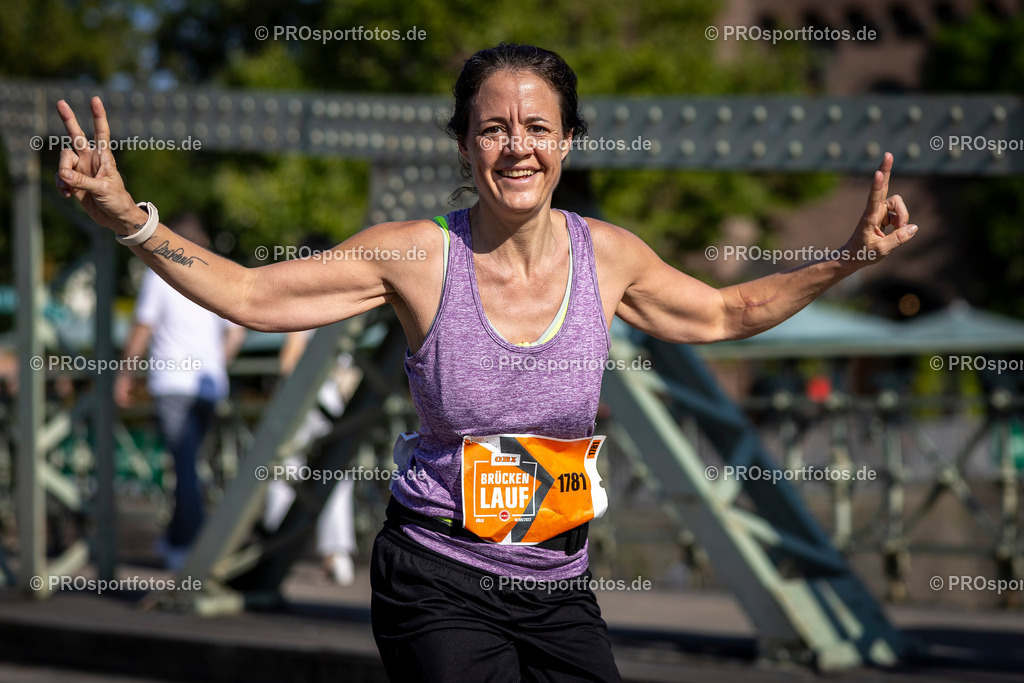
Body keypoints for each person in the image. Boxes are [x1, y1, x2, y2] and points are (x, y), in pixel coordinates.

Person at [54, 43, 917, 681]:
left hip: (558, 579)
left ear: (569, 142)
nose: (517, 148)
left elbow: (728, 310)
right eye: (493, 129)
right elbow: (250, 295)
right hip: (436, 574)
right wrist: (130, 216)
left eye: (538, 128)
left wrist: (847, 257)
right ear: (465, 145)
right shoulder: (418, 257)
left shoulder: (608, 257)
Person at [115, 215, 247, 570]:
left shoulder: (159, 273)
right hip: (209, 384)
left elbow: (144, 327)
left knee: (185, 465)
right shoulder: (210, 272)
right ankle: (175, 539)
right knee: (190, 464)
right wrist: (217, 362)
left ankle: (193, 547)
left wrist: (124, 373)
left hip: (173, 382)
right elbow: (237, 329)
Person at [263, 240, 361, 585]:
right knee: (336, 473)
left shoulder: (302, 300)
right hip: (334, 401)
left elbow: (289, 361)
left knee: (284, 472)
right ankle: (337, 554)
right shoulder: (344, 301)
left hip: (305, 402)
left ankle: (274, 550)